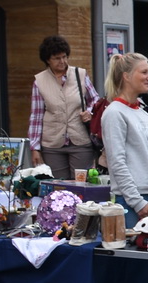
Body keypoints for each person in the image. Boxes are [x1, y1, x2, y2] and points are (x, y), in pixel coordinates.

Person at [101, 52, 148, 228]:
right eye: (144, 72)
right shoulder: (115, 113)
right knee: (133, 254)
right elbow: (117, 162)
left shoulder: (144, 113)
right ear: (126, 76)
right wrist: (137, 202)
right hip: (131, 199)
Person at [25, 35, 100, 180]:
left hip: (80, 140)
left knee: (82, 184)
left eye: (65, 57)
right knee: (58, 187)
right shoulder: (39, 81)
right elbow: (36, 115)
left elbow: (95, 99)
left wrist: (89, 112)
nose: (62, 61)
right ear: (47, 59)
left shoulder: (80, 74)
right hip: (52, 144)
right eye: (57, 58)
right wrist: (35, 147)